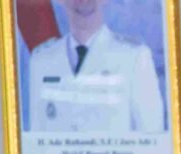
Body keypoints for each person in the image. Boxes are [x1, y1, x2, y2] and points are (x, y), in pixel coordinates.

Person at [27, 0, 164, 133]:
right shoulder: (41, 61)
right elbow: (36, 140)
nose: (84, 1)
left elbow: (152, 138)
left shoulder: (134, 58)